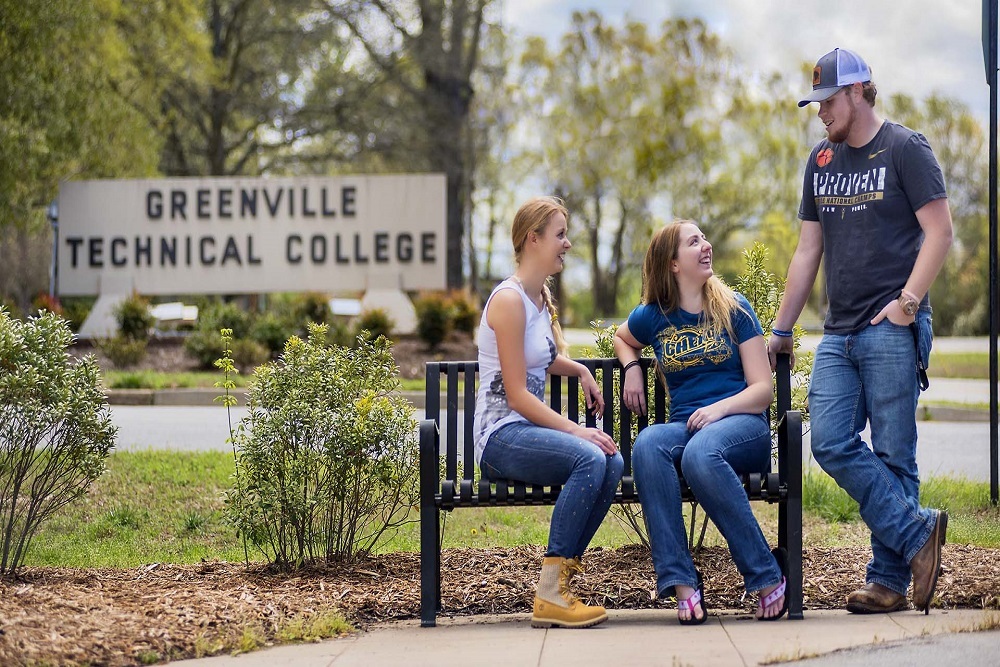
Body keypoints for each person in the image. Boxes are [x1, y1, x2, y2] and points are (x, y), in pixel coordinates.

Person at [768, 48, 953, 615]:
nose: (821, 112)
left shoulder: (905, 148)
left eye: (828, 100)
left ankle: (888, 581)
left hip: (892, 325)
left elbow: (940, 231)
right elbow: (808, 250)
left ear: (856, 92)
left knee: (894, 454)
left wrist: (907, 303)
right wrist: (781, 327)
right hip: (839, 331)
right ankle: (920, 533)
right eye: (816, 103)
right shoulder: (821, 160)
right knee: (828, 440)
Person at [613, 220, 788, 624]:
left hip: (742, 426)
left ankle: (766, 575)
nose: (706, 245)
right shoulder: (654, 316)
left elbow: (763, 390)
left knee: (700, 453)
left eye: (704, 238)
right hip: (690, 428)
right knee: (648, 445)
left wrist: (720, 409)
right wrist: (632, 368)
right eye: (694, 242)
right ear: (673, 264)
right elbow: (623, 337)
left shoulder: (734, 308)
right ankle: (682, 583)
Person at [473, 196, 624, 629]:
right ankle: (550, 593)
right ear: (533, 239)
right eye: (560, 235)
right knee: (590, 455)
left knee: (612, 461)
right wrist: (577, 431)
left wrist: (578, 369)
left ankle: (560, 583)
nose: (567, 244)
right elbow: (517, 396)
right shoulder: (508, 300)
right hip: (499, 436)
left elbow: (539, 357)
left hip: (522, 431)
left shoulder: (538, 297)